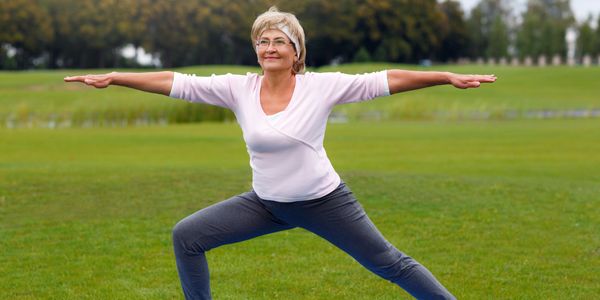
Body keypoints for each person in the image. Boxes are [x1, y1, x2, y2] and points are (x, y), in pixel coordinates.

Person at [65, 6, 496, 300]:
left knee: (390, 264)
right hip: (266, 204)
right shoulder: (238, 88)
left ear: (296, 52)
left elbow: (386, 79)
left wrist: (445, 77)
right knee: (187, 236)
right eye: (262, 41)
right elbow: (176, 82)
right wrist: (116, 77)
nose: (269, 47)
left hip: (325, 203)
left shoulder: (319, 87)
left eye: (278, 41)